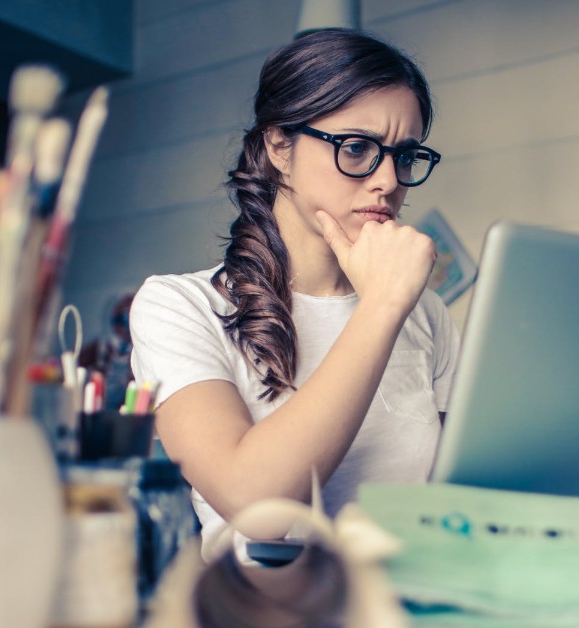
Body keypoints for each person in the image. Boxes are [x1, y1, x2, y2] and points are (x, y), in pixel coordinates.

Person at [129, 29, 459, 555]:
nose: (387, 181)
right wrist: (381, 306)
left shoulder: (427, 315)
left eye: (404, 155)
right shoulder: (180, 307)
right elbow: (258, 508)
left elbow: (455, 506)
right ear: (279, 146)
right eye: (356, 148)